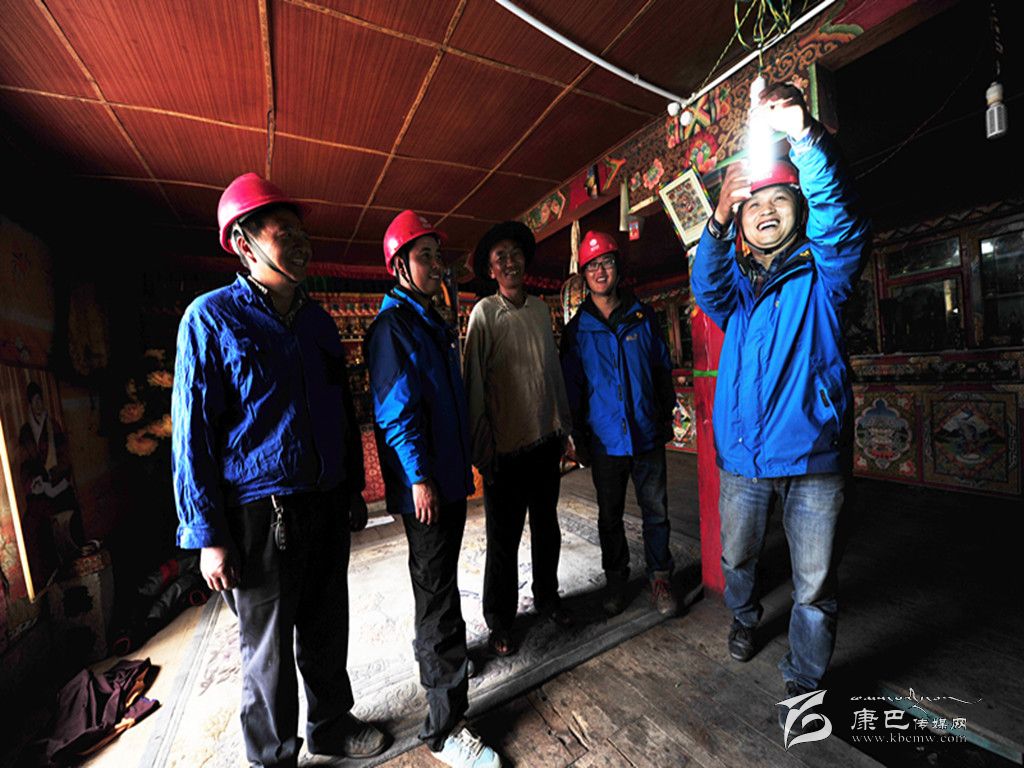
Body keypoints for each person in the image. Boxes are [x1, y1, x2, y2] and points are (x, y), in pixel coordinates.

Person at [172, 172, 388, 768]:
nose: (299, 242)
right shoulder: (209, 319)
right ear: (243, 243)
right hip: (259, 515)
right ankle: (273, 758)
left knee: (327, 626)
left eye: (300, 232)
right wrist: (209, 537)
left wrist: (352, 489)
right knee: (266, 650)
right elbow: (192, 437)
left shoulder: (317, 322)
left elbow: (341, 411)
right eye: (282, 232)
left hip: (324, 500)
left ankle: (331, 726)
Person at [689, 83, 870, 730]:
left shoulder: (826, 275)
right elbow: (705, 281)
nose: (765, 210)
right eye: (753, 204)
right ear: (741, 224)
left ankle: (805, 675)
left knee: (814, 584)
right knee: (737, 559)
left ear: (800, 208)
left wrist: (804, 136)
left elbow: (841, 224)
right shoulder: (734, 292)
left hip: (813, 458)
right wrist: (715, 220)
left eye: (779, 200)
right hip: (743, 458)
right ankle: (744, 619)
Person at [364, 210, 500, 768]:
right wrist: (419, 478)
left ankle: (448, 669)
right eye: (424, 257)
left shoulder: (428, 321)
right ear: (398, 265)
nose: (436, 266)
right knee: (438, 601)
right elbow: (396, 415)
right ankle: (445, 729)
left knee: (440, 588)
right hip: (428, 487)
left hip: (445, 479)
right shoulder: (393, 329)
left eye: (437, 257)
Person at [463, 221, 573, 658]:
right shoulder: (484, 314)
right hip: (505, 451)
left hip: (544, 442)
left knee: (547, 529)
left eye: (515, 254)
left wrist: (564, 428)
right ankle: (501, 619)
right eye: (500, 257)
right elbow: (474, 387)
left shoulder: (541, 311)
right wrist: (482, 449)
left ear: (524, 261)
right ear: (491, 270)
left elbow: (553, 373)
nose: (510, 262)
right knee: (503, 541)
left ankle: (548, 597)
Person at [560, 231, 678, 618]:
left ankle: (660, 578)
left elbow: (661, 370)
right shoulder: (577, 331)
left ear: (617, 267)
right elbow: (572, 389)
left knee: (656, 511)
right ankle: (616, 581)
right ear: (583, 274)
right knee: (609, 517)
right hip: (605, 439)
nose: (600, 271)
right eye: (592, 266)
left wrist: (664, 415)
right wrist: (578, 437)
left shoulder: (643, 317)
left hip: (646, 434)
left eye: (606, 262)